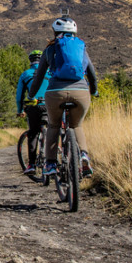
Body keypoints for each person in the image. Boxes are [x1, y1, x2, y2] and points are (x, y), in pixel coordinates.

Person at [28, 16, 98, 177]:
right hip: (80, 92)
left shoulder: (50, 49)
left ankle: (51, 164)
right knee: (76, 126)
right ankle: (83, 155)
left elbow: (38, 77)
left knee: (53, 126)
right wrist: (93, 91)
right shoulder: (81, 48)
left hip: (55, 93)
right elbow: (92, 74)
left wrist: (32, 94)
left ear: (55, 32)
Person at [16, 49, 49, 175]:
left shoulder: (26, 74)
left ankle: (32, 165)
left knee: (33, 133)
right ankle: (54, 162)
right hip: (48, 105)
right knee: (53, 130)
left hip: (34, 106)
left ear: (30, 61)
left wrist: (20, 110)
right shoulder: (50, 72)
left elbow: (19, 96)